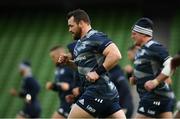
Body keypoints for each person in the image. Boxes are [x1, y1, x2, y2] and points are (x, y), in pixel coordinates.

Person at [58, 9, 126, 118]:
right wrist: (68, 63)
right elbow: (82, 69)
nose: (69, 29)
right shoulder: (79, 44)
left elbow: (116, 54)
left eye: (71, 26)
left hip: (98, 91)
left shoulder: (94, 36)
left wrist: (97, 72)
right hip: (106, 93)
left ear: (81, 23)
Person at [67, 41, 134, 118]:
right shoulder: (94, 69)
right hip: (107, 105)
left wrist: (125, 107)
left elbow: (124, 91)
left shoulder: (114, 73)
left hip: (120, 106)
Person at [131, 17, 175, 118]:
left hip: (154, 96)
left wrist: (155, 82)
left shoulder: (154, 47)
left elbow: (171, 64)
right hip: (160, 97)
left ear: (143, 34)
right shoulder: (141, 51)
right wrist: (135, 78)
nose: (132, 37)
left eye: (134, 34)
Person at [46, 45, 75, 118]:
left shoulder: (71, 66)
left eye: (53, 56)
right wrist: (53, 86)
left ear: (60, 54)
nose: (52, 59)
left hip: (72, 102)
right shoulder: (58, 68)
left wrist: (69, 86)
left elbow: (72, 85)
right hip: (64, 102)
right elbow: (62, 86)